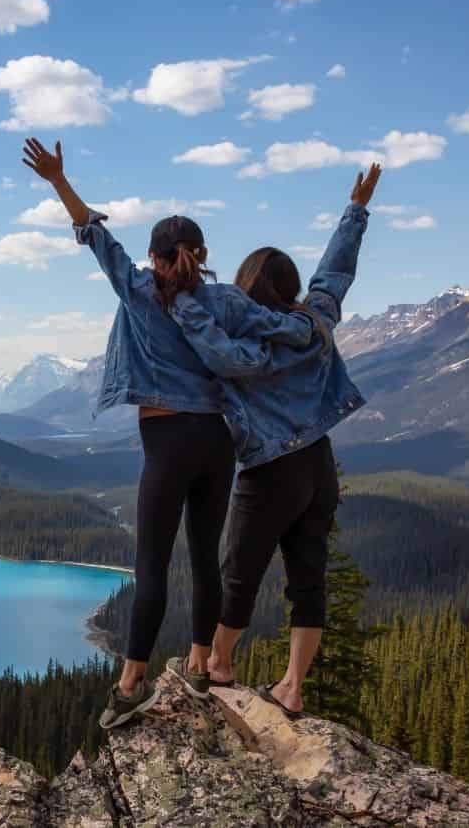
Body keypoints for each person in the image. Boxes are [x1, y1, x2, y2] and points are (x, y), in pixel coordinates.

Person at [22, 138, 314, 729]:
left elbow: (93, 235)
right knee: (204, 558)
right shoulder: (225, 301)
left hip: (165, 444)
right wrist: (315, 322)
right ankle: (203, 662)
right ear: (201, 253)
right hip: (216, 444)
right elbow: (282, 324)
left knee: (151, 563)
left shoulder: (138, 290)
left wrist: (58, 180)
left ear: (155, 256)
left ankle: (131, 684)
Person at [164, 163, 382, 718]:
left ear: (247, 290)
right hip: (319, 466)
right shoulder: (316, 322)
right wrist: (355, 211)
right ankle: (291, 686)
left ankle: (219, 665)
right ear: (289, 289)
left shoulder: (247, 347)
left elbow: (214, 352)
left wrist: (183, 298)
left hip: (270, 472)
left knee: (239, 572)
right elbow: (335, 276)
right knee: (307, 577)